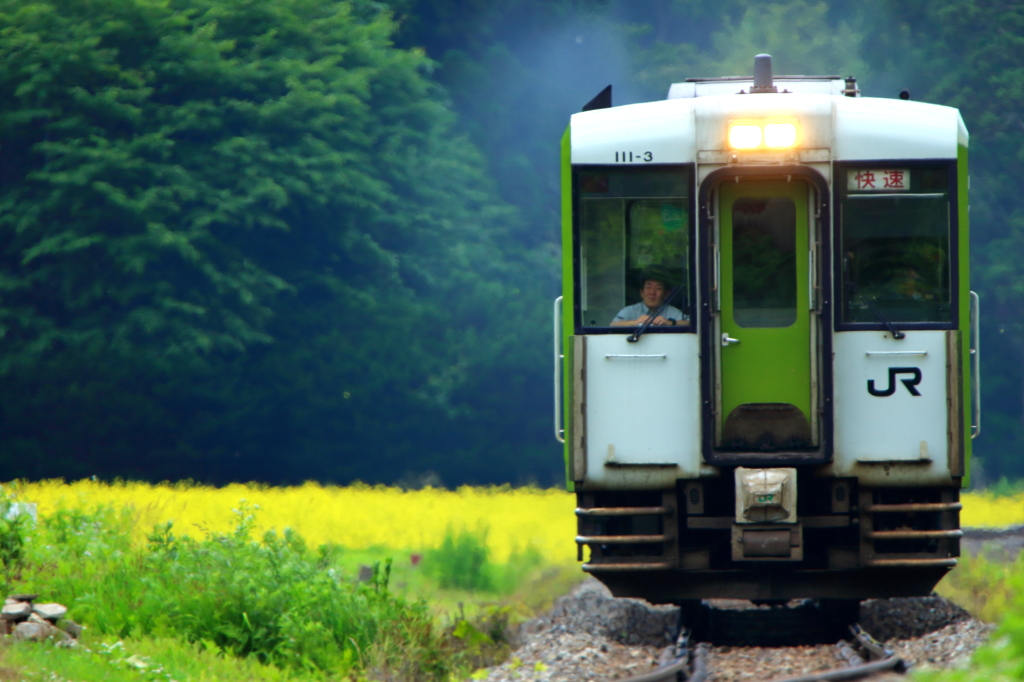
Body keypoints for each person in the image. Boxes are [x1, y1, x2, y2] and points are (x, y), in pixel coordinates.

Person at [610, 266, 689, 327]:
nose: (652, 292)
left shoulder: (672, 312)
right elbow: (613, 325)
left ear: (666, 294)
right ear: (641, 292)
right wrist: (634, 322)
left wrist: (671, 323)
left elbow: (691, 323)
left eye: (658, 288)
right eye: (648, 287)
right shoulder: (630, 311)